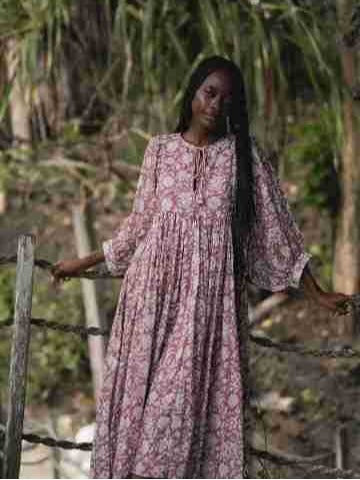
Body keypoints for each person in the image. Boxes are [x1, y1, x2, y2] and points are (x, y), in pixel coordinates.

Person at [51, 56, 350, 479]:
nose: (216, 105)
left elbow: (275, 233)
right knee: (141, 416)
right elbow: (138, 227)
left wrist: (317, 294)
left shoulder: (243, 159)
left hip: (205, 312)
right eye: (210, 92)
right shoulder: (159, 151)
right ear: (193, 92)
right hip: (149, 303)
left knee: (172, 419)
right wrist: (81, 263)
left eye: (228, 99)